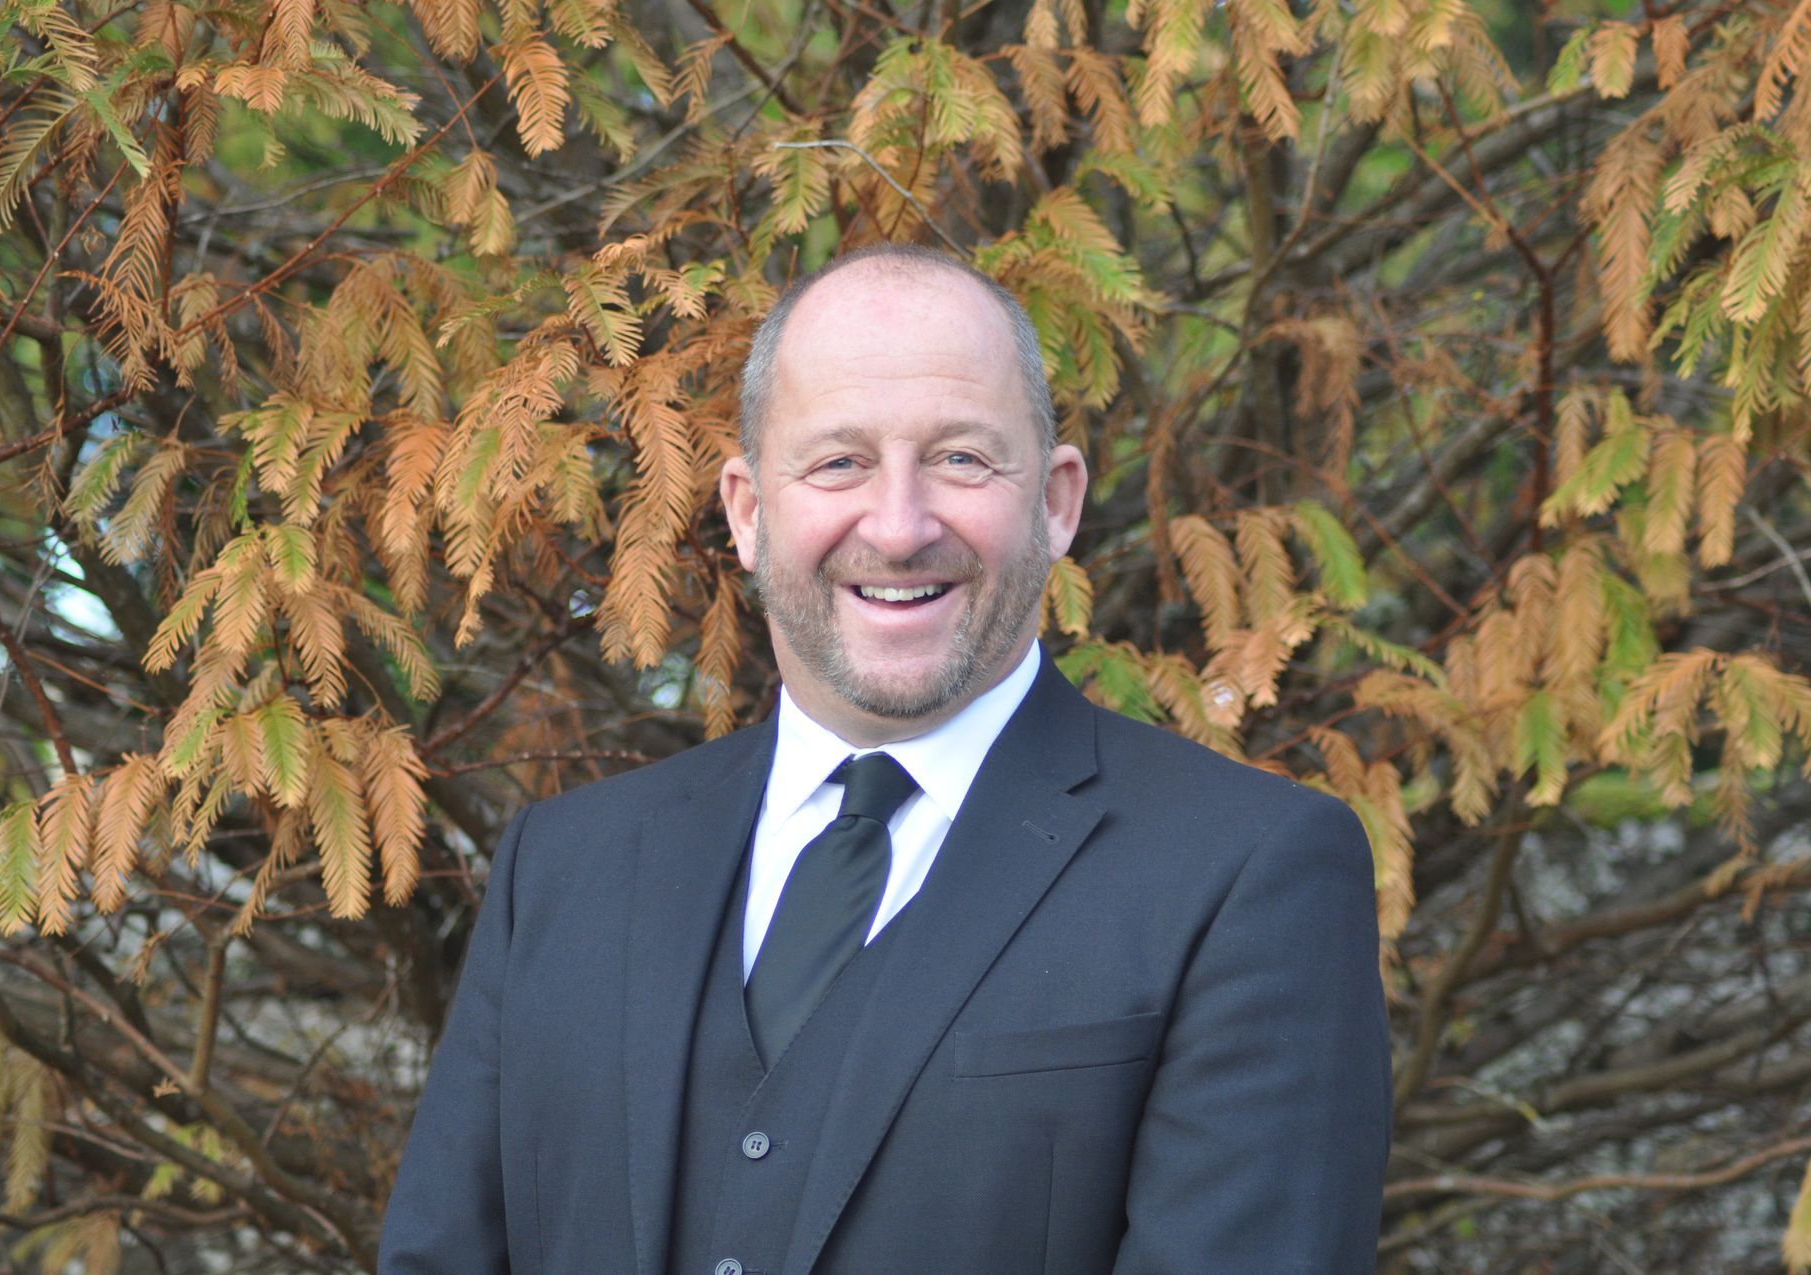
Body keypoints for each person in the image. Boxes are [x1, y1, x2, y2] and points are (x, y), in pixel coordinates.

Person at [378, 244, 1392, 1275]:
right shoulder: (566, 865)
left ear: (1056, 500)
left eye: (960, 459)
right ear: (748, 511)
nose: (899, 528)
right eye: (837, 463)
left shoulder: (1247, 873)